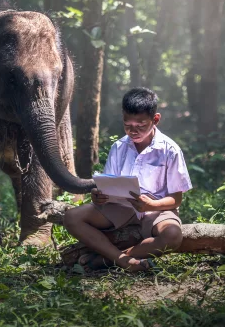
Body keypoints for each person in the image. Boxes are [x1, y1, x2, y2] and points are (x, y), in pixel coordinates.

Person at [64, 87, 192, 272]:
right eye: (128, 125)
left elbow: (176, 199)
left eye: (141, 125)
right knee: (72, 217)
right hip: (121, 207)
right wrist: (98, 196)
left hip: (156, 209)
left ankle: (109, 260)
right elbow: (108, 186)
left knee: (172, 236)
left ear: (155, 119)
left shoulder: (170, 150)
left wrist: (150, 206)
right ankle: (122, 260)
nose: (133, 131)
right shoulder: (119, 147)